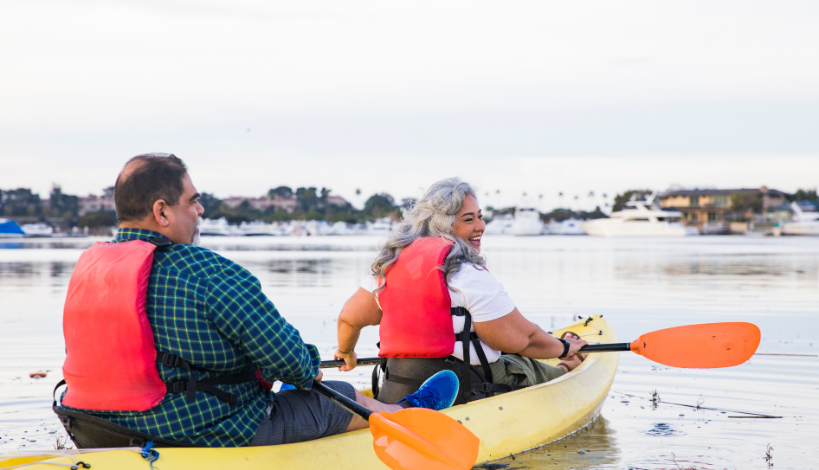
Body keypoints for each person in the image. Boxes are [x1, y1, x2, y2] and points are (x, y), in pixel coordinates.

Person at [55, 153, 459, 448]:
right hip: (198, 429)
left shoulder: (88, 269)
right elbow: (291, 362)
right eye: (192, 201)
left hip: (94, 425)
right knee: (339, 395)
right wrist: (305, 367)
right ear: (161, 211)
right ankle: (410, 414)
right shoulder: (207, 272)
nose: (199, 211)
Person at [335, 178, 588, 405]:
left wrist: (346, 351)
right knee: (523, 364)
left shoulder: (386, 268)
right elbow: (525, 340)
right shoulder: (468, 275)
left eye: (480, 216)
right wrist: (565, 348)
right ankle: (567, 370)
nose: (481, 226)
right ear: (443, 225)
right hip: (467, 388)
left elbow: (348, 318)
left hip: (396, 385)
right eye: (469, 219)